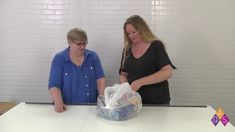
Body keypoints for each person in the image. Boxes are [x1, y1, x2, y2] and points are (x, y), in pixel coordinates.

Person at [119, 15, 176, 104]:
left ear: (142, 29)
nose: (131, 36)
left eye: (134, 32)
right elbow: (123, 74)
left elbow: (167, 72)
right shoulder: (127, 50)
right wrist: (125, 88)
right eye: (128, 33)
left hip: (158, 101)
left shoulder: (156, 46)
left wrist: (140, 82)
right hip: (134, 101)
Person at [48, 28, 106, 112]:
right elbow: (54, 84)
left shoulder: (93, 57)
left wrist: (102, 100)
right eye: (79, 44)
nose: (82, 47)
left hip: (91, 107)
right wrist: (58, 101)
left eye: (84, 43)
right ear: (69, 42)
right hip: (67, 108)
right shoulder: (59, 59)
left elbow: (101, 80)